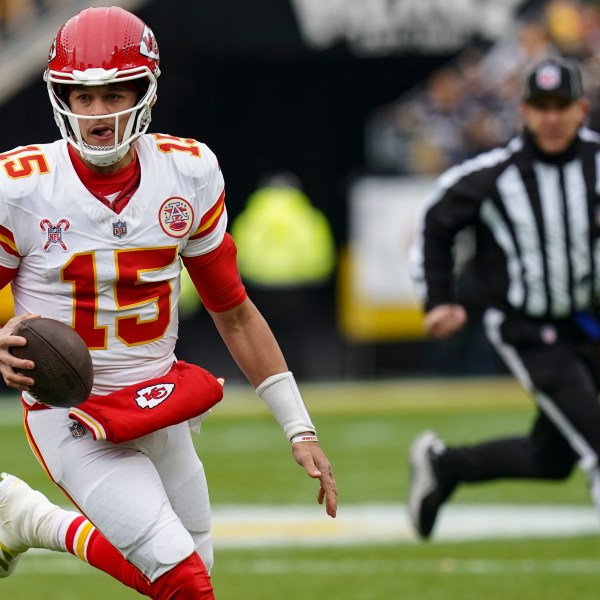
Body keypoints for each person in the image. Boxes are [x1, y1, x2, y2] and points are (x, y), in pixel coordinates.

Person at [0, 6, 337, 599]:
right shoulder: (21, 187)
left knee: (189, 576)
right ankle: (28, 518)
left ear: (145, 90)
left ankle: (30, 520)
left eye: (114, 93)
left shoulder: (188, 171)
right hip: (73, 413)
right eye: (83, 96)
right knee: (184, 584)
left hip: (157, 402)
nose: (98, 113)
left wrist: (298, 428)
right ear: (62, 99)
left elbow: (232, 310)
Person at [408, 56, 600, 540]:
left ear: (582, 108)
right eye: (541, 106)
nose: (551, 117)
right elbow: (436, 221)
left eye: (561, 106)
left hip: (589, 325)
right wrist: (438, 299)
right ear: (524, 111)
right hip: (527, 329)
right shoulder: (494, 176)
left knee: (552, 458)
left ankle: (445, 466)